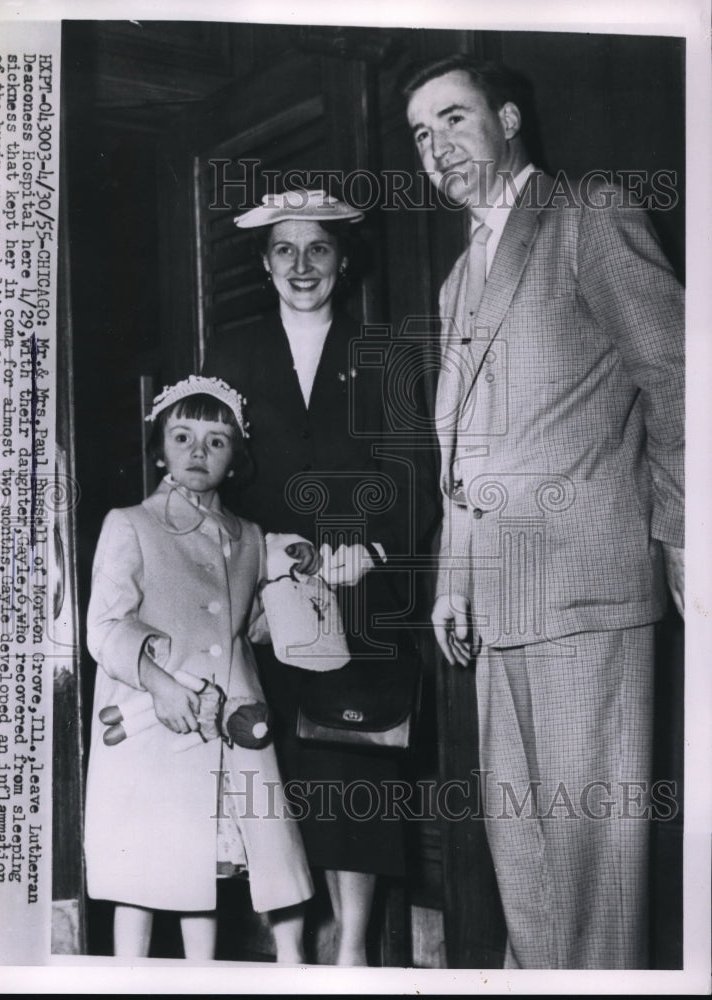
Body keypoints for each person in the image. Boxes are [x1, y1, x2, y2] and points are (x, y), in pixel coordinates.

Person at [403, 55, 684, 969]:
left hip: (585, 594)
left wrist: (684, 537)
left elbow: (679, 380)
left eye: (452, 118)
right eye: (418, 133)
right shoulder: (457, 279)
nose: (435, 145)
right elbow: (465, 448)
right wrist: (452, 578)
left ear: (509, 119)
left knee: (594, 880)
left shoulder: (584, 216)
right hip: (494, 608)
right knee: (523, 870)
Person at [203, 188, 436, 966]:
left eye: (319, 250)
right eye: (283, 251)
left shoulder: (386, 349)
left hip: (356, 592)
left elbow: (411, 468)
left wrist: (366, 549)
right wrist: (253, 574)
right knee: (274, 774)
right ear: (264, 263)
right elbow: (210, 471)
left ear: (343, 259)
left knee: (351, 768)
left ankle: (353, 956)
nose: (302, 266)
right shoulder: (230, 354)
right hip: (261, 599)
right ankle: (290, 954)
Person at [84, 375, 313, 961]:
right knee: (141, 880)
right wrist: (159, 684)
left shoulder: (251, 537)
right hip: (151, 726)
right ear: (160, 449)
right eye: (181, 436)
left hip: (231, 732)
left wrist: (302, 585)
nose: (197, 451)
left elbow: (253, 627)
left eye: (216, 441)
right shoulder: (131, 523)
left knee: (206, 877)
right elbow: (105, 628)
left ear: (237, 457)